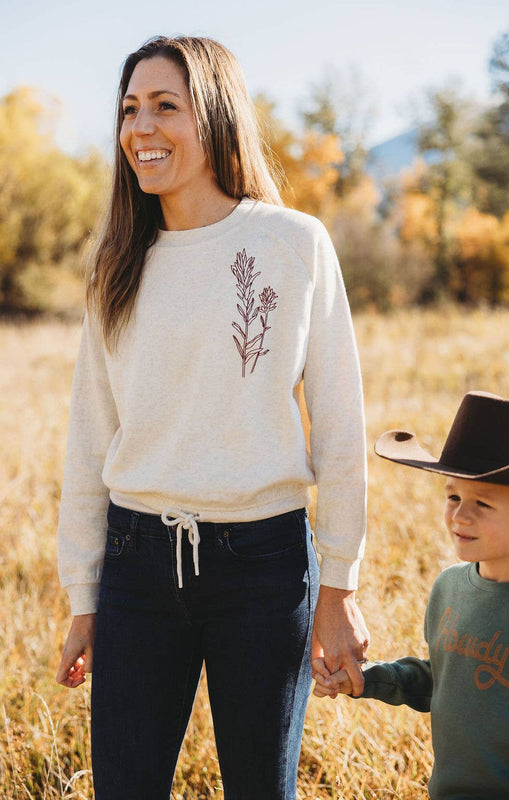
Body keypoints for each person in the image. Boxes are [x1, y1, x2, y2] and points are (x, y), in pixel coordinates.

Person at [55, 35, 369, 800]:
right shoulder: (115, 262)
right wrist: (84, 596)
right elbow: (91, 435)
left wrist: (339, 585)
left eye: (167, 106)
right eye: (130, 109)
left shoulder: (292, 243)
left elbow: (338, 426)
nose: (142, 129)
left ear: (217, 116)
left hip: (264, 566)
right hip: (136, 563)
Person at [313, 390, 509, 799]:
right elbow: (440, 680)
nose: (460, 515)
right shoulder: (449, 588)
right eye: (453, 496)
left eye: (482, 503)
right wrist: (367, 678)